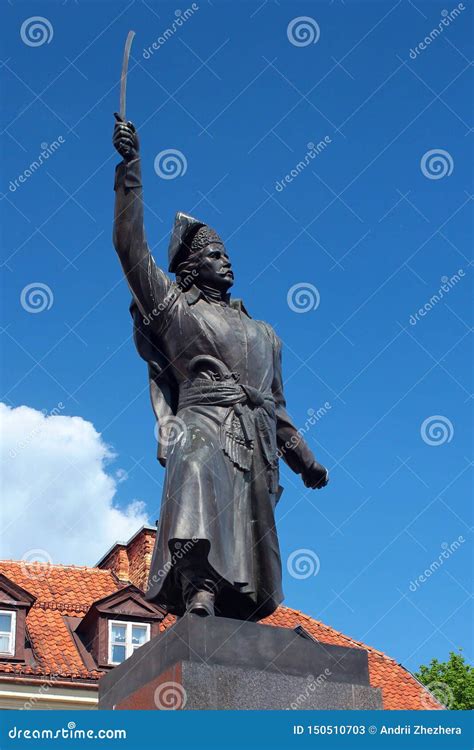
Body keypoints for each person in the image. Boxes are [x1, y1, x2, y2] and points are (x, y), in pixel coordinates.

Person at [112, 114, 329, 620]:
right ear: (190, 266)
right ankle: (197, 588)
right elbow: (129, 248)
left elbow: (275, 406)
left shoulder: (265, 334)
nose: (225, 260)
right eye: (213, 254)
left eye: (226, 253)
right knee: (192, 467)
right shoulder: (175, 311)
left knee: (250, 534)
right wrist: (131, 170)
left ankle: (238, 608)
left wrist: (305, 458)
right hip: (201, 420)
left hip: (253, 437)